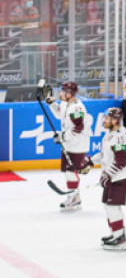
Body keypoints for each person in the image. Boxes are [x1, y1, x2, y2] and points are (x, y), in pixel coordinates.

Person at [76, 107, 126, 251]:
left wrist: (108, 174)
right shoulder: (111, 134)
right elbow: (106, 154)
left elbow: (120, 161)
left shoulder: (120, 137)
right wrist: (90, 161)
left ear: (115, 120)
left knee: (113, 206)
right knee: (109, 206)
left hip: (120, 177)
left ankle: (120, 238)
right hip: (114, 176)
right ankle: (115, 234)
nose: (104, 120)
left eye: (107, 118)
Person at [45, 82, 88, 211]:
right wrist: (52, 103)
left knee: (70, 172)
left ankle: (74, 198)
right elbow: (59, 113)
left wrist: (62, 137)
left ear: (69, 93)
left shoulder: (77, 108)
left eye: (63, 91)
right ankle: (74, 196)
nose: (61, 93)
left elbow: (78, 128)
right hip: (69, 144)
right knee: (68, 172)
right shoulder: (65, 104)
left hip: (78, 145)